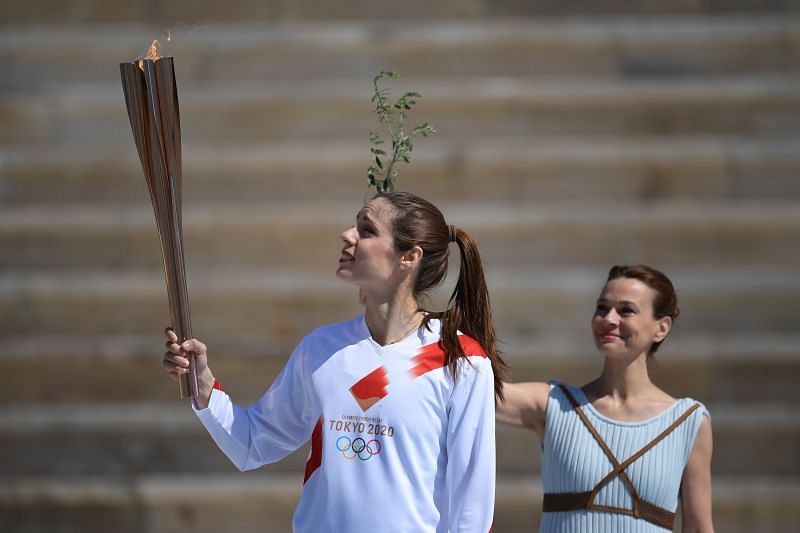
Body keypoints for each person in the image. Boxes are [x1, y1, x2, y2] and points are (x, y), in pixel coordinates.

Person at [163, 191, 508, 532]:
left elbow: (471, 508)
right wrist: (204, 384)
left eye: (367, 230)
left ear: (409, 257)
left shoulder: (461, 361)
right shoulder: (321, 348)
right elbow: (253, 443)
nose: (347, 235)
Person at [497, 265, 714, 532]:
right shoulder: (555, 404)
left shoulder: (689, 421)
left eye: (626, 310)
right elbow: (479, 396)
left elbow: (698, 527)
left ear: (661, 328)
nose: (609, 319)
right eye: (602, 308)